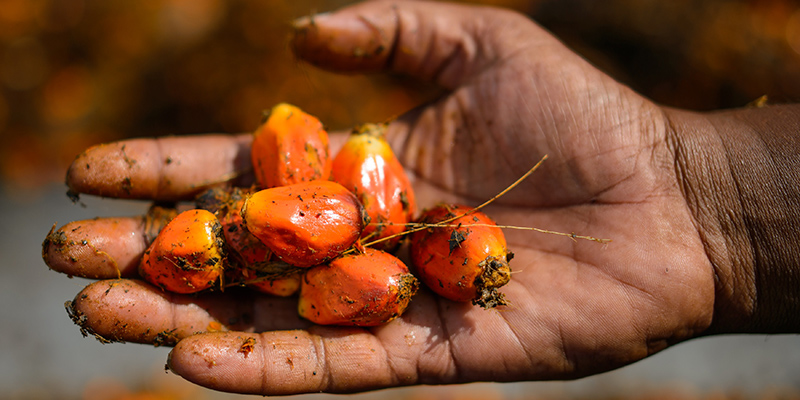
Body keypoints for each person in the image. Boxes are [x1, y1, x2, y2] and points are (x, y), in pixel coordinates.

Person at [45, 0, 800, 395]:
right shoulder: (326, 224)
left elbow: (339, 244)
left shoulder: (362, 230)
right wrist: (709, 205)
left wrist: (708, 202)